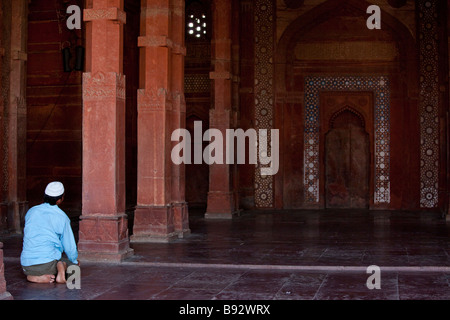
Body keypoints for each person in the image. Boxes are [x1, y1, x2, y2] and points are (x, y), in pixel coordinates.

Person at [20, 181, 79, 284]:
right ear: (60, 199)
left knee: (39, 263)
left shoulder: (31, 211)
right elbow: (70, 247)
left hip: (26, 265)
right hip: (48, 264)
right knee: (75, 269)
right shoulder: (62, 217)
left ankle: (33, 277)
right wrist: (75, 262)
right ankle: (62, 267)